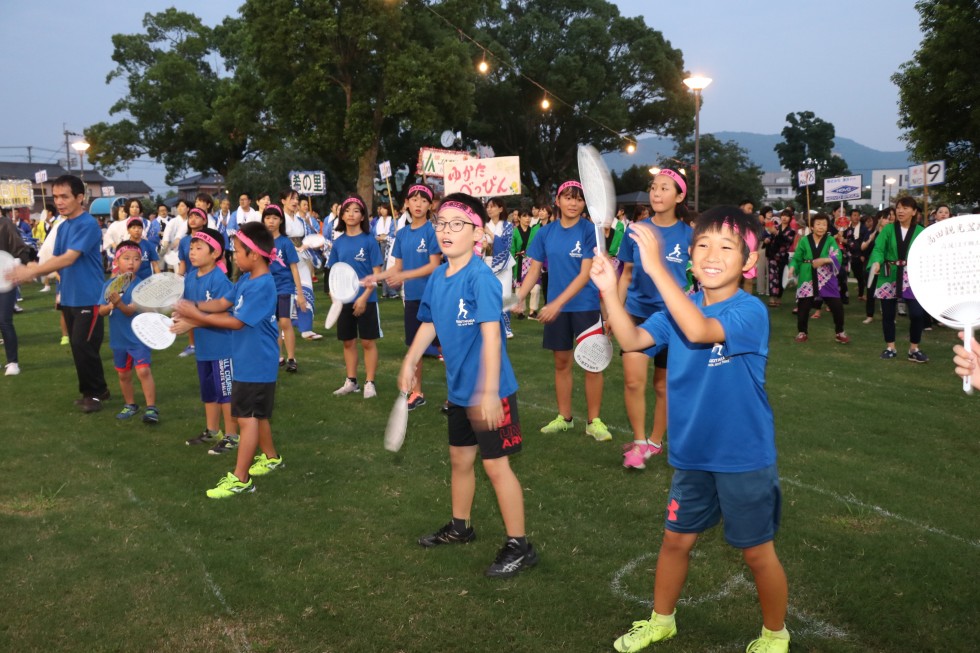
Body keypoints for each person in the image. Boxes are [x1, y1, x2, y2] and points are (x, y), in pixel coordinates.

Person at [594, 206, 789, 653]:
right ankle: (662, 621)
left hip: (743, 456)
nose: (712, 254)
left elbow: (701, 332)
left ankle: (776, 634)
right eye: (703, 244)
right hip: (691, 454)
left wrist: (655, 268)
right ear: (691, 256)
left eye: (727, 247)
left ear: (749, 263)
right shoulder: (678, 306)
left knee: (758, 553)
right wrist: (609, 292)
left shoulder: (750, 311)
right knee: (674, 542)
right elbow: (630, 342)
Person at [403, 192, 536, 578]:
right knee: (460, 460)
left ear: (477, 232)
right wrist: (411, 360)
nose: (445, 230)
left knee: (497, 467)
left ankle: (520, 546)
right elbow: (428, 324)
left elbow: (493, 338)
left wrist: (491, 392)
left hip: (490, 392)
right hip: (460, 391)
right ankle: (460, 526)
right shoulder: (438, 277)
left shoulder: (480, 277)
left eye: (456, 224)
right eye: (440, 223)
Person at [171, 221, 284, 498]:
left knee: (246, 420)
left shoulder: (263, 286)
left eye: (237, 251)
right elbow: (223, 303)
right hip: (248, 360)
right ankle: (270, 457)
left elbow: (235, 322)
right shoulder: (246, 279)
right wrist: (194, 306)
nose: (233, 256)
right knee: (258, 415)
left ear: (254, 255)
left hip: (256, 363)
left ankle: (240, 478)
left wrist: (194, 317)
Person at [513, 180, 610, 441]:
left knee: (593, 364)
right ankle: (564, 418)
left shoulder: (590, 231)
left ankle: (594, 421)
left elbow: (585, 273)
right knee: (561, 363)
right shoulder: (545, 233)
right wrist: (518, 298)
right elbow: (534, 270)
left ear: (584, 203)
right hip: (558, 309)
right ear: (557, 201)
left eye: (578, 199)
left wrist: (555, 303)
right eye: (568, 197)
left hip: (585, 306)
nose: (573, 203)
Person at [8, 175, 110, 411]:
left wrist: (32, 271)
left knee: (83, 345)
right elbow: (58, 260)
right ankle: (94, 391)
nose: (59, 201)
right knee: (78, 347)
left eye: (65, 196)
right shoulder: (63, 226)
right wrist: (37, 271)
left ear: (80, 198)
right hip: (70, 295)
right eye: (56, 197)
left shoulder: (87, 224)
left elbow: (69, 257)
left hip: (90, 296)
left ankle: (95, 394)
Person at [617, 168, 692, 469]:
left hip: (674, 318)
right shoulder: (634, 230)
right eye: (654, 187)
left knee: (662, 386)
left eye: (665, 188)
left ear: (679, 196)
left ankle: (655, 442)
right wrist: (615, 312)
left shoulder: (690, 235)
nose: (657, 193)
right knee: (634, 381)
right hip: (637, 313)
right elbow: (625, 275)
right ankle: (638, 444)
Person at [364, 184, 441, 409]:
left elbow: (434, 266)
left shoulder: (432, 231)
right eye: (414, 200)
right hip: (413, 299)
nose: (418, 204)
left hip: (434, 297)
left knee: (445, 348)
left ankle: (457, 396)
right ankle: (417, 393)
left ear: (430, 205)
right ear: (406, 203)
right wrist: (374, 278)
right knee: (414, 347)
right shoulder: (402, 234)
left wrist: (404, 275)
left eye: (423, 200)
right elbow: (397, 267)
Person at [181, 227, 239, 454]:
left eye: (198, 248)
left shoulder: (219, 280)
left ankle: (232, 436)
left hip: (222, 348)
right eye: (191, 248)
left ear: (215, 253)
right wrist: (179, 319)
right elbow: (188, 308)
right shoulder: (189, 278)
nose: (192, 252)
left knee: (226, 394)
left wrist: (192, 323)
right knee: (209, 391)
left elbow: (225, 315)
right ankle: (213, 430)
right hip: (204, 348)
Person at [327, 195, 384, 398]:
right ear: (341, 215)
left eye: (356, 210)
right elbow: (333, 272)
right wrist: (335, 297)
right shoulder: (339, 242)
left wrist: (364, 297)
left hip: (366, 299)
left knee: (368, 342)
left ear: (362, 216)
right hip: (344, 300)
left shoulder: (369, 241)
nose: (351, 214)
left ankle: (370, 382)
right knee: (348, 342)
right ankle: (351, 381)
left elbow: (376, 274)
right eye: (347, 210)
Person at [98, 242, 159, 423]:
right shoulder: (109, 285)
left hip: (139, 337)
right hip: (119, 338)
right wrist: (110, 305)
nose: (131, 263)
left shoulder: (143, 286)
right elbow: (101, 311)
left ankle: (151, 408)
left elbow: (129, 311)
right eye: (126, 258)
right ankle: (130, 404)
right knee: (123, 374)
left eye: (136, 259)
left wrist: (118, 303)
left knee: (143, 371)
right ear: (117, 260)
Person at [869, 197, 927, 362]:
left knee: (916, 314)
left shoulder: (920, 232)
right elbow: (879, 248)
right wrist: (876, 262)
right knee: (888, 314)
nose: (901, 211)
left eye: (906, 208)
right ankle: (890, 347)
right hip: (889, 273)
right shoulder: (888, 230)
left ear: (914, 212)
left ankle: (914, 349)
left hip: (911, 275)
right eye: (899, 208)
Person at [787, 213, 849, 344]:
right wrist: (792, 268)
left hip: (826, 277)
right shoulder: (804, 240)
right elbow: (797, 258)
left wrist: (824, 260)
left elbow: (837, 256)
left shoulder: (830, 240)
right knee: (803, 307)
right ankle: (802, 332)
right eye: (818, 224)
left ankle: (840, 332)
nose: (821, 227)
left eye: (824, 224)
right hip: (807, 275)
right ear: (812, 226)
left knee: (837, 306)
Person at [263, 203, 308, 372]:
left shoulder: (285, 243)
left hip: (284, 288)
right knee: (272, 323)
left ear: (281, 221)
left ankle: (291, 358)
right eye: (268, 218)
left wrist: (300, 293)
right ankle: (277, 357)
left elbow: (294, 268)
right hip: (267, 289)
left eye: (275, 218)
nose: (271, 221)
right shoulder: (262, 243)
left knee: (285, 321)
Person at [1, 208, 34, 375]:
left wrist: (26, 265)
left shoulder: (6, 224)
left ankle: (12, 362)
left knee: (4, 320)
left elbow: (19, 248)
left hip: (5, 277)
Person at [483, 197, 517, 339]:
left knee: (505, 295)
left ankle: (506, 327)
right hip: (487, 262)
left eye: (493, 206)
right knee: (488, 295)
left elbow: (505, 246)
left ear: (501, 209)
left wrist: (490, 235)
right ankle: (489, 326)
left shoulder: (508, 226)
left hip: (503, 264)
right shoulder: (483, 225)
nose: (489, 209)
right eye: (488, 206)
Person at [763, 209, 795, 307]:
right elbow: (769, 237)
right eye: (783, 215)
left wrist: (776, 233)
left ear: (790, 218)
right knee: (772, 277)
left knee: (781, 277)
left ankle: (779, 298)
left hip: (782, 257)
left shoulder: (791, 231)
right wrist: (767, 239)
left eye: (787, 216)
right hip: (772, 256)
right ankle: (772, 298)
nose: (784, 218)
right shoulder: (775, 226)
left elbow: (786, 241)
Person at [510, 209, 539, 317]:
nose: (527, 218)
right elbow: (512, 249)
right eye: (525, 216)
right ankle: (520, 310)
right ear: (519, 218)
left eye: (529, 216)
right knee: (519, 287)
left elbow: (537, 246)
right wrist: (512, 262)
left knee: (535, 287)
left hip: (531, 261)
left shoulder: (534, 231)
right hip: (518, 261)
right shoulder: (514, 231)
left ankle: (533, 310)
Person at [126, 217, 160, 281]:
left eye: (139, 228)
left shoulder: (148, 245)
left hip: (146, 282)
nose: (137, 230)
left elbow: (155, 265)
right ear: (128, 230)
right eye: (134, 228)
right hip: (129, 281)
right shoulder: (124, 246)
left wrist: (159, 280)